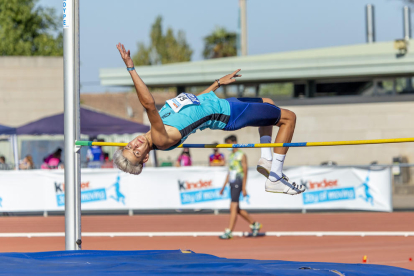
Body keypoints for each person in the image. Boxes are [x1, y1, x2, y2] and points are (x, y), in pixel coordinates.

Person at [113, 43, 305, 195]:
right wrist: (131, 68)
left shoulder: (160, 125)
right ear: (145, 157)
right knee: (289, 118)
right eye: (137, 153)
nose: (135, 145)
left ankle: (266, 159)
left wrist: (217, 83)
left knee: (268, 102)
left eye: (129, 147)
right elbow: (148, 104)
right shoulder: (160, 138)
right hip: (231, 114)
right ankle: (275, 177)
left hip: (225, 104)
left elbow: (194, 104)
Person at [219, 135, 261, 239]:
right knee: (235, 208)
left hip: (238, 182)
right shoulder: (231, 156)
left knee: (233, 206)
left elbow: (245, 171)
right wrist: (223, 186)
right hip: (232, 183)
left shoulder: (241, 155)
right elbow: (229, 172)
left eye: (228, 143)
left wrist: (244, 187)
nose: (227, 146)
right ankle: (254, 224)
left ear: (234, 142)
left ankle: (229, 231)